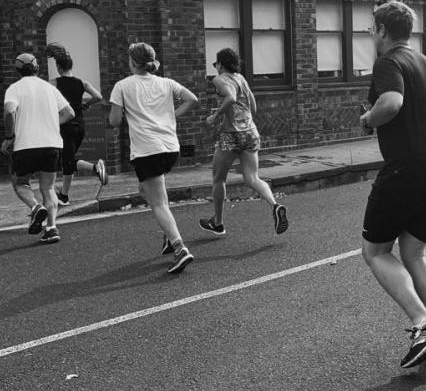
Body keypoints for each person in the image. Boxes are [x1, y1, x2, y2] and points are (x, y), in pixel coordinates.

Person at [359, 0, 426, 370]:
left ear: (383, 30)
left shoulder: (388, 62)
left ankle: (424, 323)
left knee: (375, 251)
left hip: (405, 170)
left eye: (372, 28)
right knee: (414, 254)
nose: (371, 34)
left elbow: (391, 103)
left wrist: (367, 119)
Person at [108, 42, 198, 274]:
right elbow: (192, 99)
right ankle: (169, 233)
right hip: (170, 148)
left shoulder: (122, 86)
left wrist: (123, 110)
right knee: (146, 191)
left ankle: (179, 248)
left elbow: (114, 121)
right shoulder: (166, 83)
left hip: (147, 150)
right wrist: (170, 116)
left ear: (132, 61)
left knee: (158, 203)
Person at [198, 47, 288, 237]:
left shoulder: (220, 79)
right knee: (252, 178)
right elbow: (253, 106)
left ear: (220, 64)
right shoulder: (241, 78)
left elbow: (230, 97)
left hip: (230, 135)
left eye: (216, 64)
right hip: (250, 132)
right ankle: (275, 205)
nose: (216, 68)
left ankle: (218, 223)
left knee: (219, 179)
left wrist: (215, 116)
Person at [2, 52, 75, 243]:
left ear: (17, 70)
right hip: (51, 144)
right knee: (48, 187)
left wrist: (9, 138)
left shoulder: (14, 88)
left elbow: (9, 112)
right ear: (37, 68)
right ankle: (51, 228)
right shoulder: (49, 88)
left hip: (25, 145)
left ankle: (35, 207)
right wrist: (52, 124)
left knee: (20, 183)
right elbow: (69, 112)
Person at [45, 43, 108, 205]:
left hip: (65, 126)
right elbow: (98, 96)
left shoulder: (54, 83)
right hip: (80, 126)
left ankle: (95, 168)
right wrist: (86, 105)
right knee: (67, 160)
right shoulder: (82, 83)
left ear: (58, 67)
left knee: (66, 161)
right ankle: (64, 195)